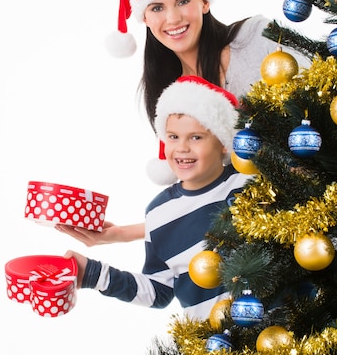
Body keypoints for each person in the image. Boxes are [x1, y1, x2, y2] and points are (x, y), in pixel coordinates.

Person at [57, 0, 311, 246]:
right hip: (267, 241)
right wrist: (121, 235)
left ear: (204, 2)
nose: (173, 18)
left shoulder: (257, 39)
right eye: (156, 7)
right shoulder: (172, 99)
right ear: (145, 19)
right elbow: (205, 196)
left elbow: (322, 94)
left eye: (183, 1)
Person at [64, 75, 253, 321]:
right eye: (173, 137)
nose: (182, 148)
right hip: (216, 348)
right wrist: (92, 273)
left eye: (196, 137)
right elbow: (158, 291)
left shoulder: (246, 180)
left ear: (223, 142)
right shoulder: (158, 212)